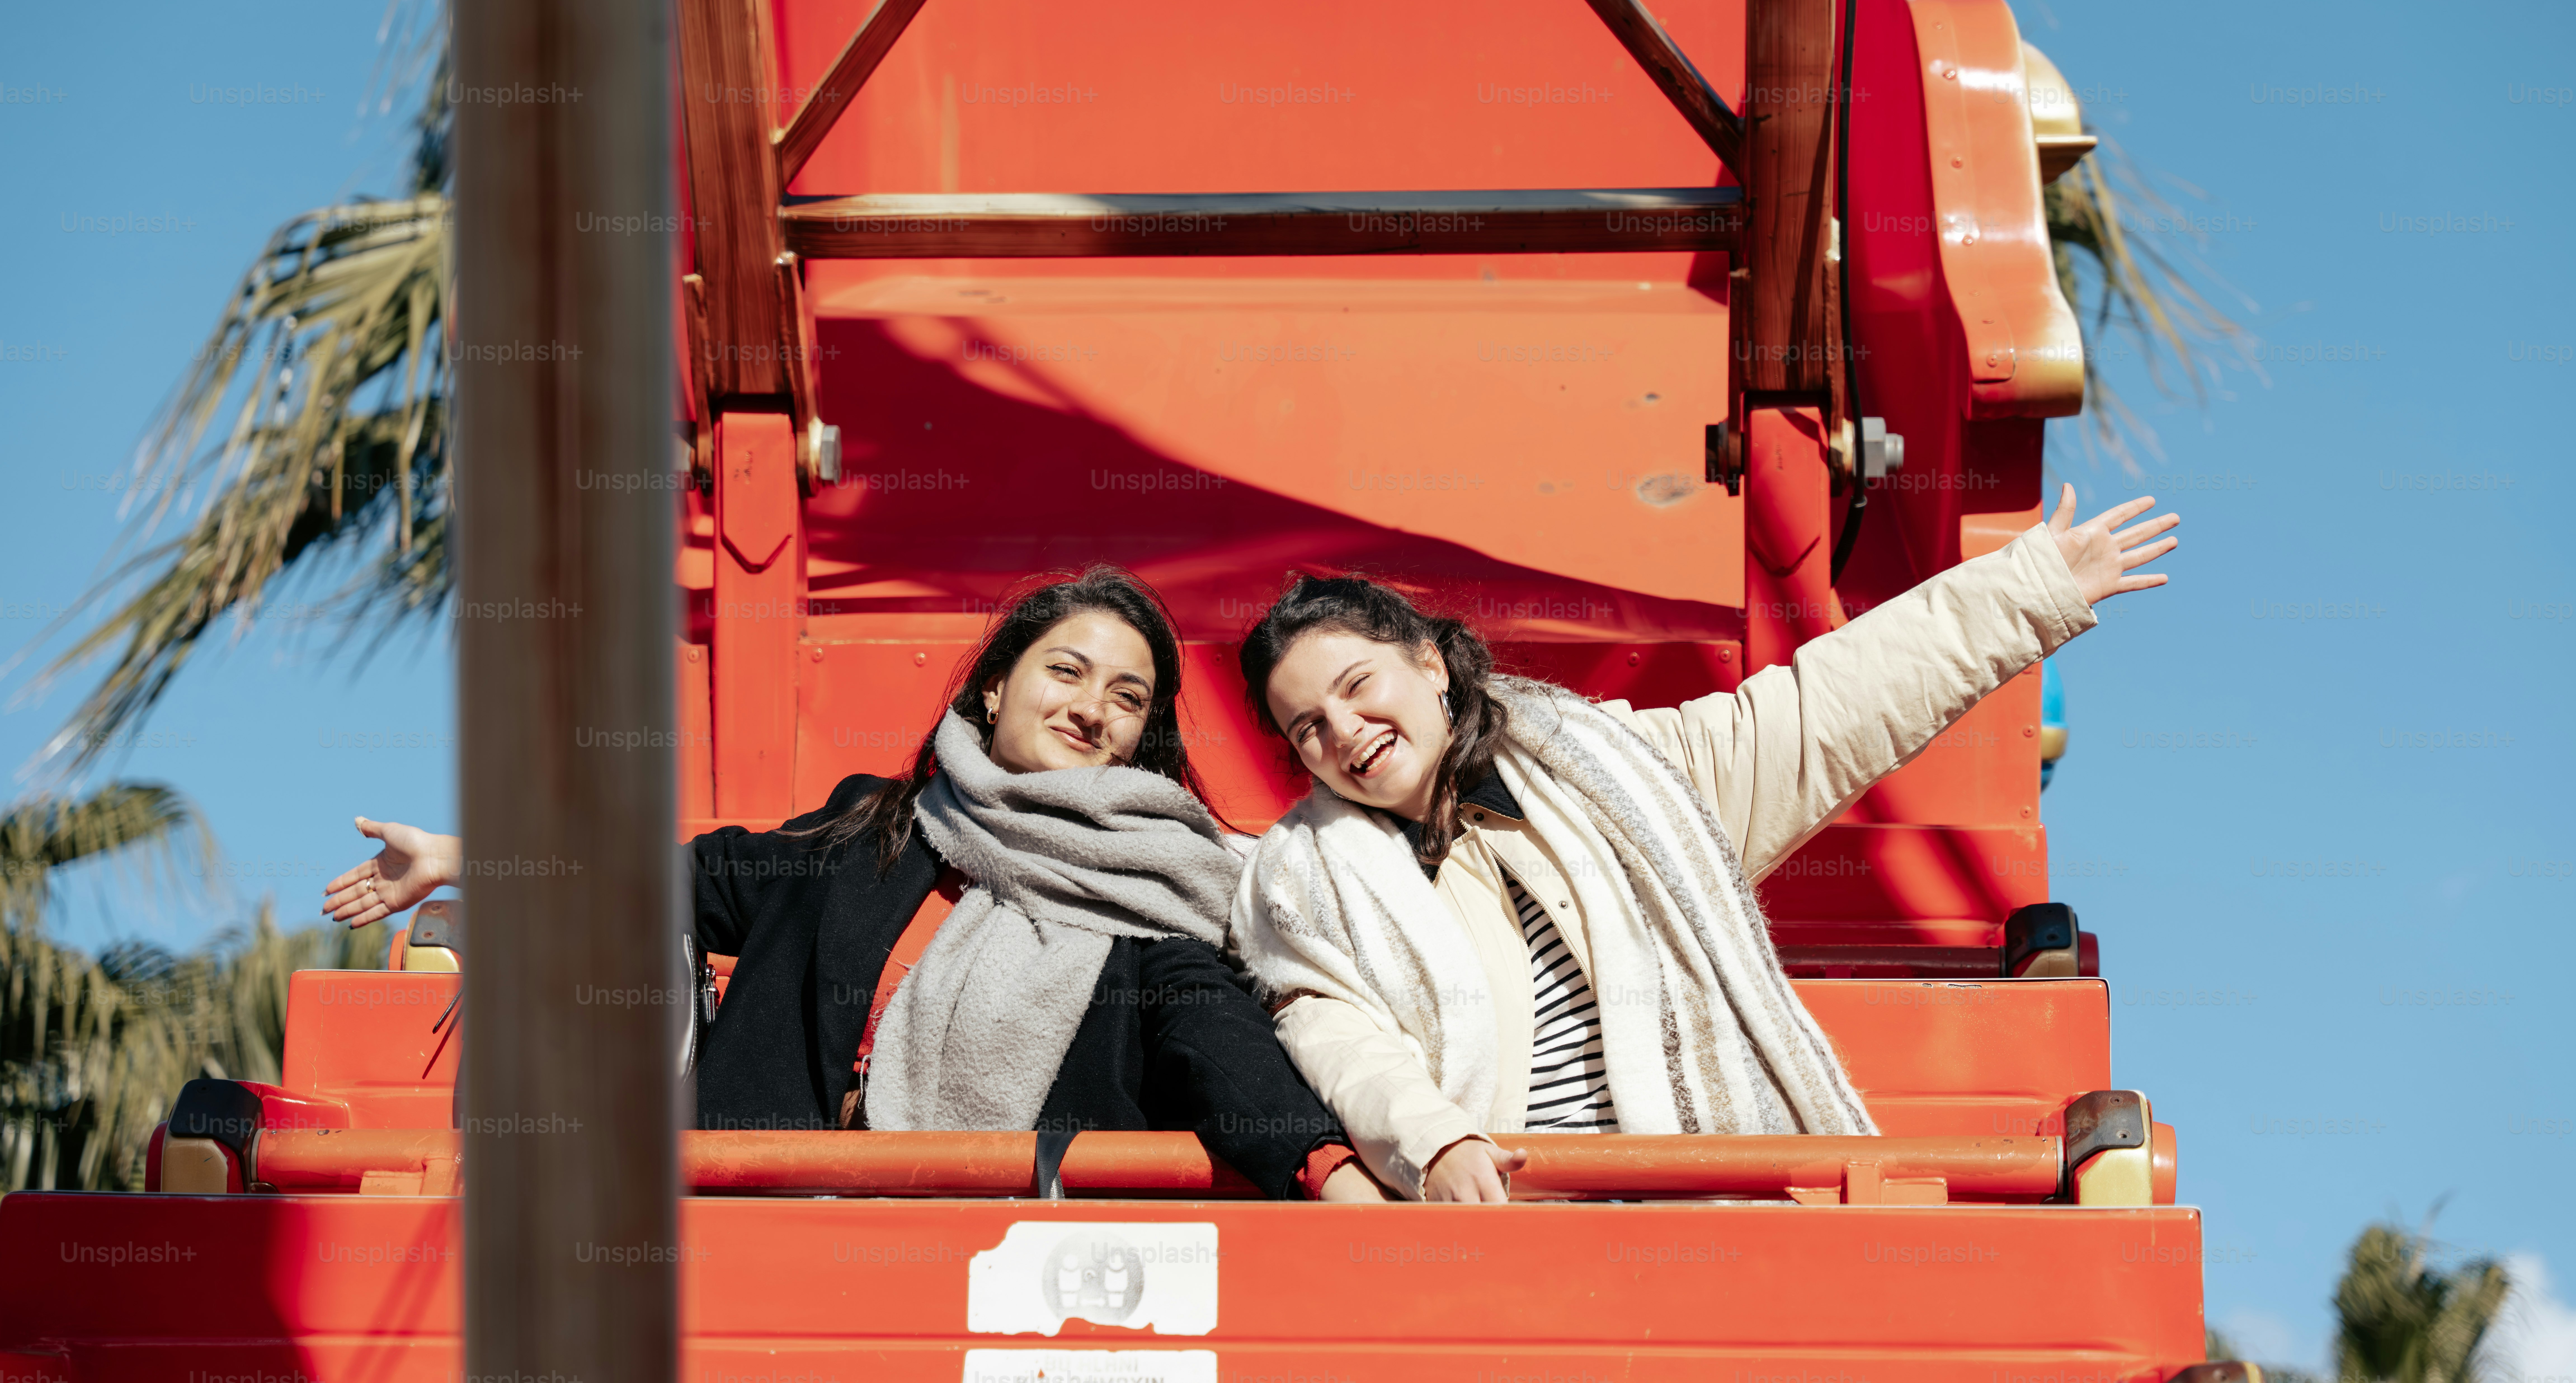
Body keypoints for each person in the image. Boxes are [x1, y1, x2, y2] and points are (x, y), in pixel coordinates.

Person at [1231, 486, 2178, 1203]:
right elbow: (1333, 1033)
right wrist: (1432, 1141)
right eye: (1308, 726)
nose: (1345, 729)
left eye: (1359, 685)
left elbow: (1823, 708)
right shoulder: (1306, 879)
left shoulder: (1619, 767)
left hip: (1710, 1202)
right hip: (1509, 1219)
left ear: (1430, 663)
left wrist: (2030, 588)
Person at [327, 566, 1378, 1202]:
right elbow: (675, 875)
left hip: (1003, 1275)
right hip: (752, 1240)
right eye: (1065, 670)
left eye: (1127, 697)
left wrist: (1324, 1163)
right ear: (996, 682)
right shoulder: (867, 832)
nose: (1091, 706)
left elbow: (1213, 1036)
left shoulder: (1151, 893)